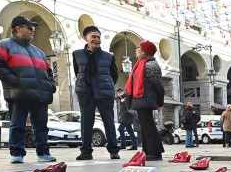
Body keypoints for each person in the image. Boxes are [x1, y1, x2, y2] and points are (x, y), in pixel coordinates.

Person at [0, 16, 56, 163]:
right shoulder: (3, 45)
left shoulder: (38, 51)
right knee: (17, 124)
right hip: (19, 92)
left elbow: (48, 70)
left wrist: (51, 85)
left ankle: (43, 153)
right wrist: (15, 82)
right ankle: (17, 154)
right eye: (29, 27)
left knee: (41, 125)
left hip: (40, 93)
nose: (33, 30)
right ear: (18, 28)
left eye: (33, 28)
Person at [71, 26, 120, 160]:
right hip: (85, 93)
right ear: (86, 38)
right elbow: (78, 72)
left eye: (98, 37)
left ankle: (114, 151)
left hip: (104, 93)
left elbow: (114, 75)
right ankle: (86, 152)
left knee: (109, 122)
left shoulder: (109, 57)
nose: (97, 40)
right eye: (94, 37)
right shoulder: (77, 54)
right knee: (86, 124)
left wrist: (106, 85)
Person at [125, 41, 165, 161]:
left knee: (148, 126)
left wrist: (160, 102)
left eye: (138, 48)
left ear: (144, 51)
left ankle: (155, 152)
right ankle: (148, 151)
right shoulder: (140, 64)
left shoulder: (150, 65)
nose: (135, 50)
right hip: (141, 99)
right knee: (145, 126)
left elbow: (158, 85)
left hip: (145, 99)